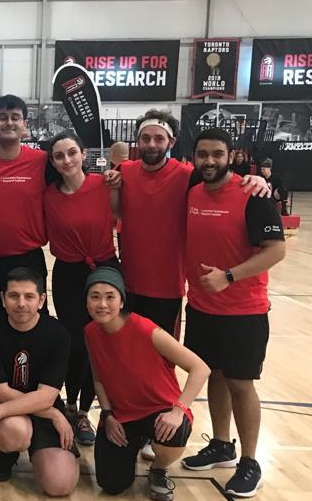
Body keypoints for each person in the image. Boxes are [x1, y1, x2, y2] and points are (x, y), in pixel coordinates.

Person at [180, 127, 286, 498]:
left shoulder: (252, 196)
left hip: (244, 311)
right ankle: (222, 445)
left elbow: (275, 250)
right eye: (203, 154)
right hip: (202, 307)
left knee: (241, 383)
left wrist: (229, 276)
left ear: (231, 155)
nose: (209, 161)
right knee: (215, 376)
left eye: (217, 154)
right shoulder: (193, 189)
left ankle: (250, 461)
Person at [110, 109, 268, 338]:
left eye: (159, 138)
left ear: (171, 141)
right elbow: (118, 213)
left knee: (163, 358)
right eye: (146, 138)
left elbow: (225, 182)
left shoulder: (188, 175)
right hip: (127, 283)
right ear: (137, 141)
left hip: (167, 286)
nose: (152, 144)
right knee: (129, 351)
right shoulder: (124, 171)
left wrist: (257, 179)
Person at [84, 267, 209, 501]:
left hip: (159, 410)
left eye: (110, 297)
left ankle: (159, 468)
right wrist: (108, 415)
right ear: (87, 302)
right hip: (122, 415)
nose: (102, 304)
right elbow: (98, 377)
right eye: (95, 297)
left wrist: (178, 410)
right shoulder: (90, 331)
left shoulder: (145, 329)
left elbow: (200, 368)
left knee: (174, 431)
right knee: (111, 485)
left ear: (121, 301)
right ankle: (138, 440)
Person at [0, 267, 78, 495]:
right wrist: (54, 414)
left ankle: (37, 446)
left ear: (41, 300)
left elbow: (47, 395)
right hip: (10, 407)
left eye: (29, 296)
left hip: (40, 402)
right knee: (15, 432)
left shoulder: (59, 334)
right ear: (2, 298)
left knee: (60, 485)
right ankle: (8, 453)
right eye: (14, 296)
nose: (21, 303)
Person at [43, 131, 118, 447]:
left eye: (72, 152)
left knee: (98, 346)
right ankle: (69, 403)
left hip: (104, 269)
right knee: (74, 343)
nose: (67, 160)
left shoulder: (105, 185)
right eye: (59, 156)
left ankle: (86, 411)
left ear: (83, 154)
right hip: (68, 274)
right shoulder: (48, 195)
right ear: (53, 162)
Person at [0, 95, 51, 322]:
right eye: (2, 117)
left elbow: (74, 171)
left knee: (31, 325)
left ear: (25, 124)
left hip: (29, 260)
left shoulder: (42, 160)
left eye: (16, 117)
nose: (9, 123)